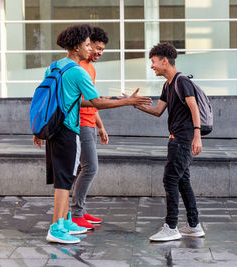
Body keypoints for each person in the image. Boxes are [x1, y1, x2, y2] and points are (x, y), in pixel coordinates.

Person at [33, 24, 152, 244]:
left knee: (65, 176)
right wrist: (127, 101)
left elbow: (57, 100)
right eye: (87, 45)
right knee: (64, 180)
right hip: (68, 130)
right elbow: (96, 102)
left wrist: (38, 129)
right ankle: (56, 228)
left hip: (53, 128)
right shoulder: (78, 71)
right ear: (77, 46)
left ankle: (66, 219)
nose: (91, 49)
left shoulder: (54, 66)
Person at [135, 42, 205, 241]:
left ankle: (171, 227)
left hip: (183, 140)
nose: (152, 66)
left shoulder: (182, 81)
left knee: (170, 180)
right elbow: (158, 111)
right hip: (176, 140)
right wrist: (134, 103)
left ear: (164, 60)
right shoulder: (168, 84)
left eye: (154, 62)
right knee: (182, 182)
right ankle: (194, 225)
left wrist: (197, 136)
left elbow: (194, 108)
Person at [70, 27, 109, 229]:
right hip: (80, 124)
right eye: (97, 48)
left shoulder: (91, 68)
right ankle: (76, 213)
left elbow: (93, 101)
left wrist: (100, 126)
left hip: (90, 123)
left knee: (82, 168)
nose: (99, 53)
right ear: (87, 44)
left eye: (102, 50)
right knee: (90, 167)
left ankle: (79, 210)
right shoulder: (79, 67)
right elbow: (86, 101)